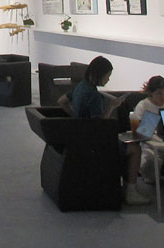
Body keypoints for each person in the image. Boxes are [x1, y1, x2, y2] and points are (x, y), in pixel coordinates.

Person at [57, 56, 149, 205]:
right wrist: (111, 107)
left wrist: (76, 117)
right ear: (99, 74)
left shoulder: (80, 87)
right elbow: (99, 124)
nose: (108, 80)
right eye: (107, 76)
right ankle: (130, 192)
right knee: (135, 149)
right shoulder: (94, 95)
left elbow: (61, 101)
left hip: (81, 138)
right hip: (94, 145)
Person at [131, 75, 164, 183]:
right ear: (151, 93)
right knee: (151, 159)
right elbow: (138, 130)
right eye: (159, 93)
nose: (163, 97)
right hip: (150, 145)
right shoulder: (143, 105)